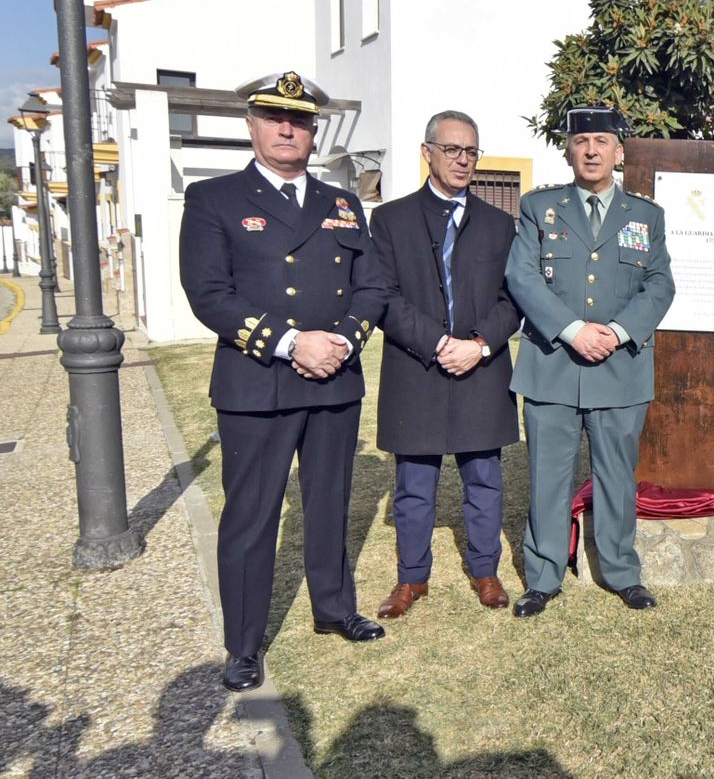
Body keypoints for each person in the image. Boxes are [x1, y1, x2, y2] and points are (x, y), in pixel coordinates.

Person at [178, 71, 385, 693]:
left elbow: (372, 283)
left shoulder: (341, 203)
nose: (287, 128)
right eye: (274, 118)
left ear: (314, 130)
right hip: (257, 384)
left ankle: (333, 607)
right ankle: (243, 644)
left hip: (333, 381)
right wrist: (294, 342)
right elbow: (208, 293)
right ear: (252, 126)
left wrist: (345, 339)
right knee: (251, 515)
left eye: (298, 120)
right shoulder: (214, 198)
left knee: (329, 502)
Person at [503, 106, 675, 616]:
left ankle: (622, 571)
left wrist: (618, 332)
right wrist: (574, 331)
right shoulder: (541, 208)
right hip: (553, 364)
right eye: (583, 142)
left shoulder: (646, 215)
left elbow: (660, 283)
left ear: (619, 152)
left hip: (619, 367)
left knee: (617, 478)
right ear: (570, 150)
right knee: (547, 476)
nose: (593, 150)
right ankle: (543, 575)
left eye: (603, 141)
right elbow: (522, 277)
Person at [368, 110, 521, 619]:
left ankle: (485, 570)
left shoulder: (501, 224)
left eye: (471, 151)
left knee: (484, 479)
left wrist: (478, 344)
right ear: (427, 151)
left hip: (481, 367)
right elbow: (383, 297)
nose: (462, 160)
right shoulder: (389, 220)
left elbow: (512, 299)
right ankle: (412, 579)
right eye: (452, 149)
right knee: (414, 484)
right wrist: (437, 343)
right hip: (418, 368)